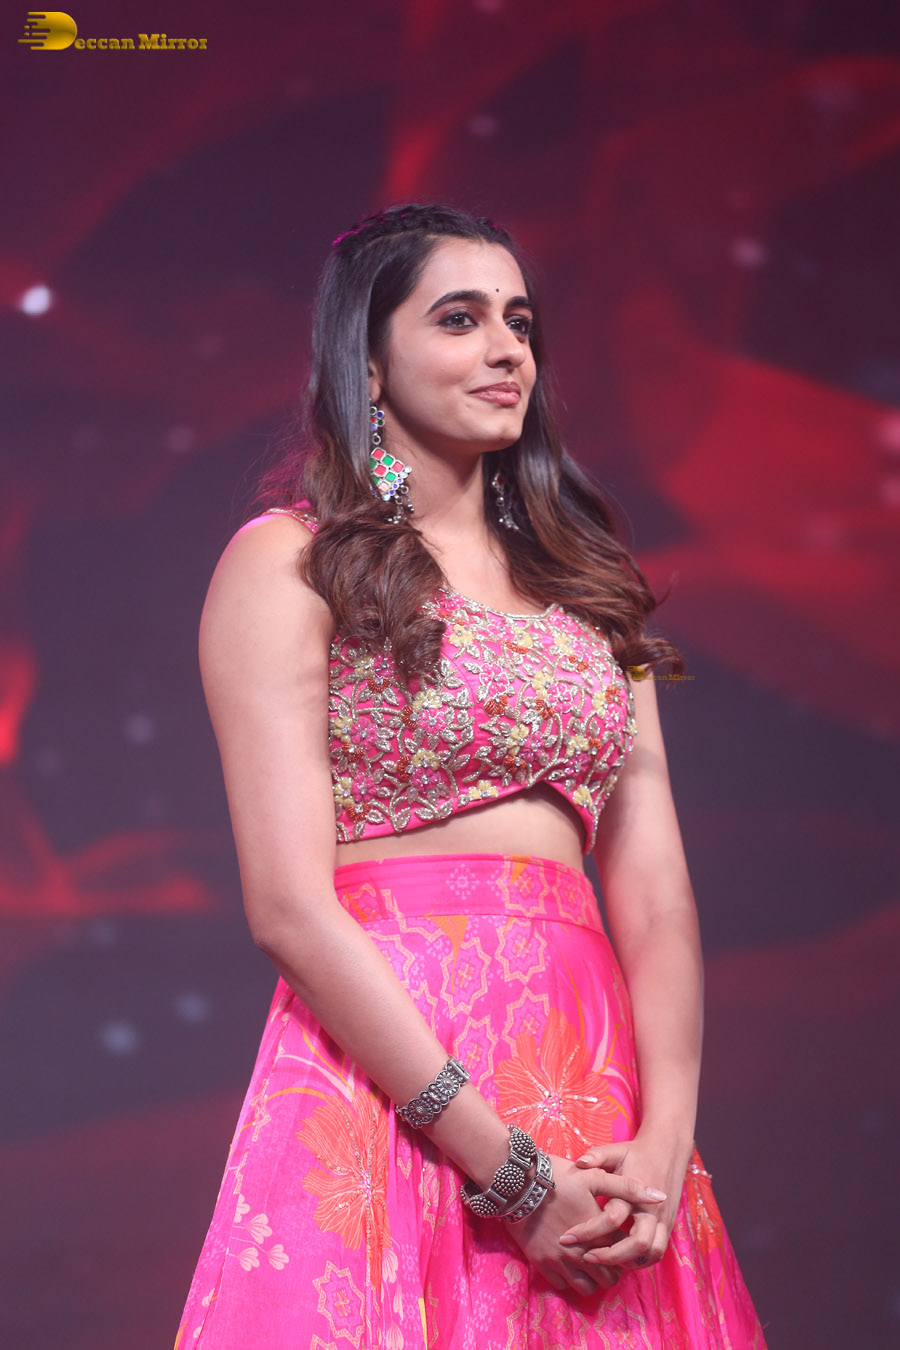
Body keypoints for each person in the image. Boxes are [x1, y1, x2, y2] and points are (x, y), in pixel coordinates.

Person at [174, 202, 767, 1348]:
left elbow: (655, 899)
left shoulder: (591, 585)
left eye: (520, 322)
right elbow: (289, 908)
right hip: (392, 1077)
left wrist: (664, 1143)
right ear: (368, 362)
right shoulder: (290, 563)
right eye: (459, 319)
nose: (507, 351)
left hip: (596, 1092)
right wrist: (510, 1175)